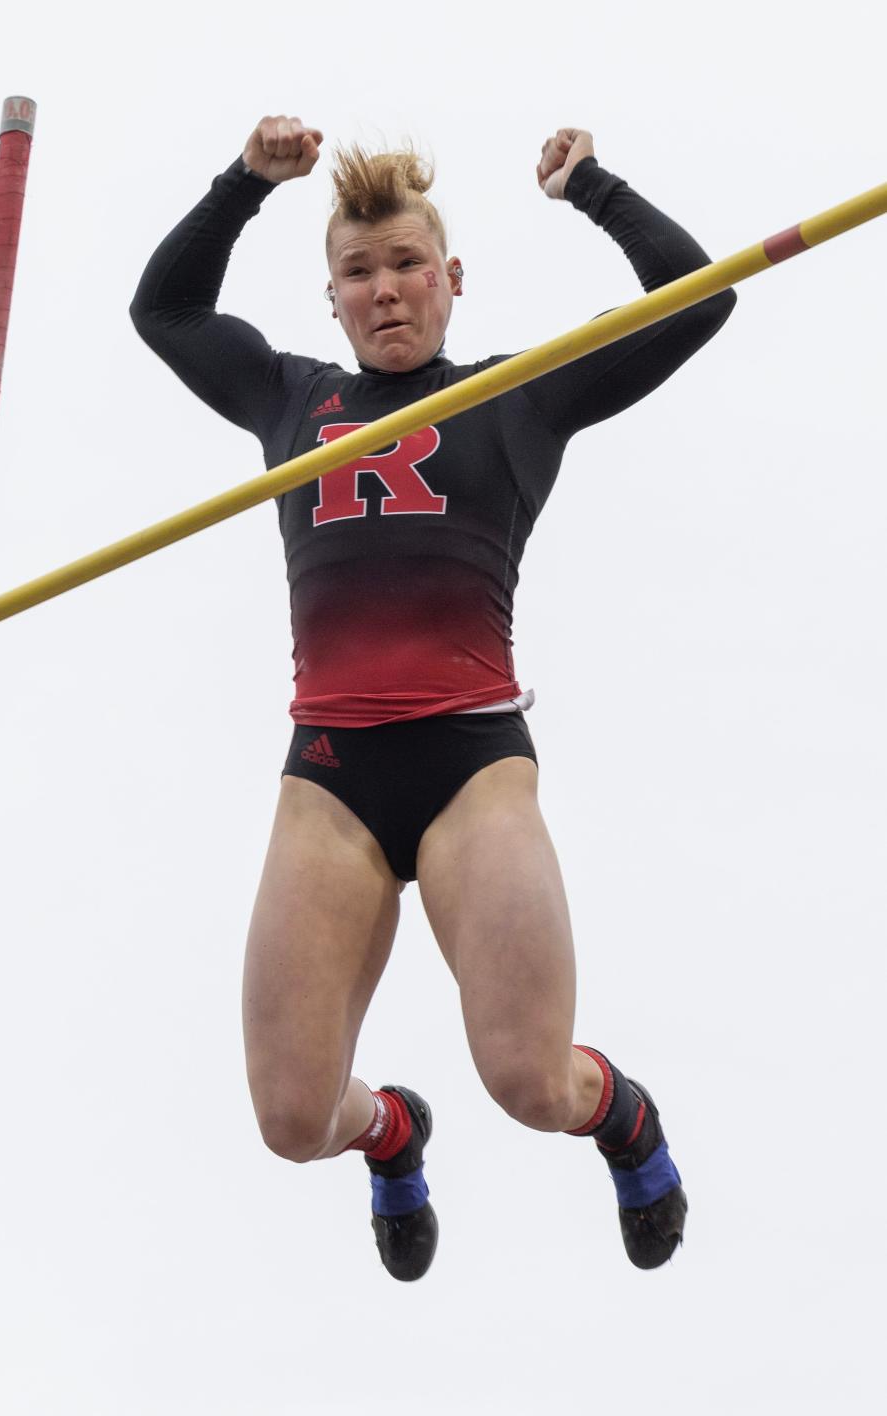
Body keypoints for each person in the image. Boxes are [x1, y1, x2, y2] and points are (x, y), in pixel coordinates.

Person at [131, 118, 735, 1280]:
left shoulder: (517, 398)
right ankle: (393, 1132)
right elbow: (165, 312)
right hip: (333, 782)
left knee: (529, 1080)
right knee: (293, 1121)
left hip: (469, 767)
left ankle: (621, 1116)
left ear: (451, 280)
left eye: (408, 265)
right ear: (335, 297)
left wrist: (591, 188)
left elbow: (696, 298)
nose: (388, 292)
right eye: (360, 274)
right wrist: (245, 184)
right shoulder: (286, 399)